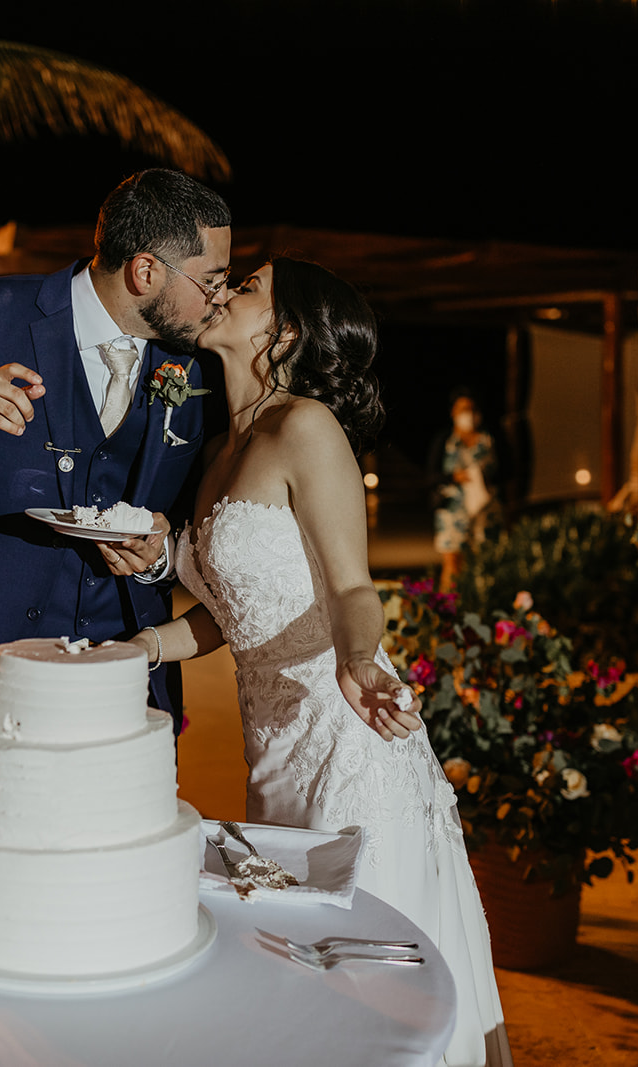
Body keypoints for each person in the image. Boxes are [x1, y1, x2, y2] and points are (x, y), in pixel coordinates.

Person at [130, 258, 510, 1066]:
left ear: (287, 331)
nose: (227, 290)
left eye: (251, 286)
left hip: (347, 744)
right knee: (301, 982)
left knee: (368, 997)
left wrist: (361, 657)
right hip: (273, 754)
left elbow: (350, 588)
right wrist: (143, 645)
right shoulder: (221, 446)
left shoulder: (306, 427)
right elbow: (241, 615)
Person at [0, 169, 231, 793]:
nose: (219, 299)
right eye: (211, 281)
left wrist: (155, 557)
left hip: (129, 666)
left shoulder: (195, 360)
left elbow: (198, 521)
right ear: (145, 273)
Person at [427, 388, 498, 590]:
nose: (468, 414)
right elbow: (430, 476)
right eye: (463, 409)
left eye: (472, 409)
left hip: (484, 512)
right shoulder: (445, 441)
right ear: (453, 413)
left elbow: (507, 471)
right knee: (452, 563)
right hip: (453, 511)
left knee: (482, 563)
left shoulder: (489, 439)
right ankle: (447, 610)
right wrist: (453, 477)